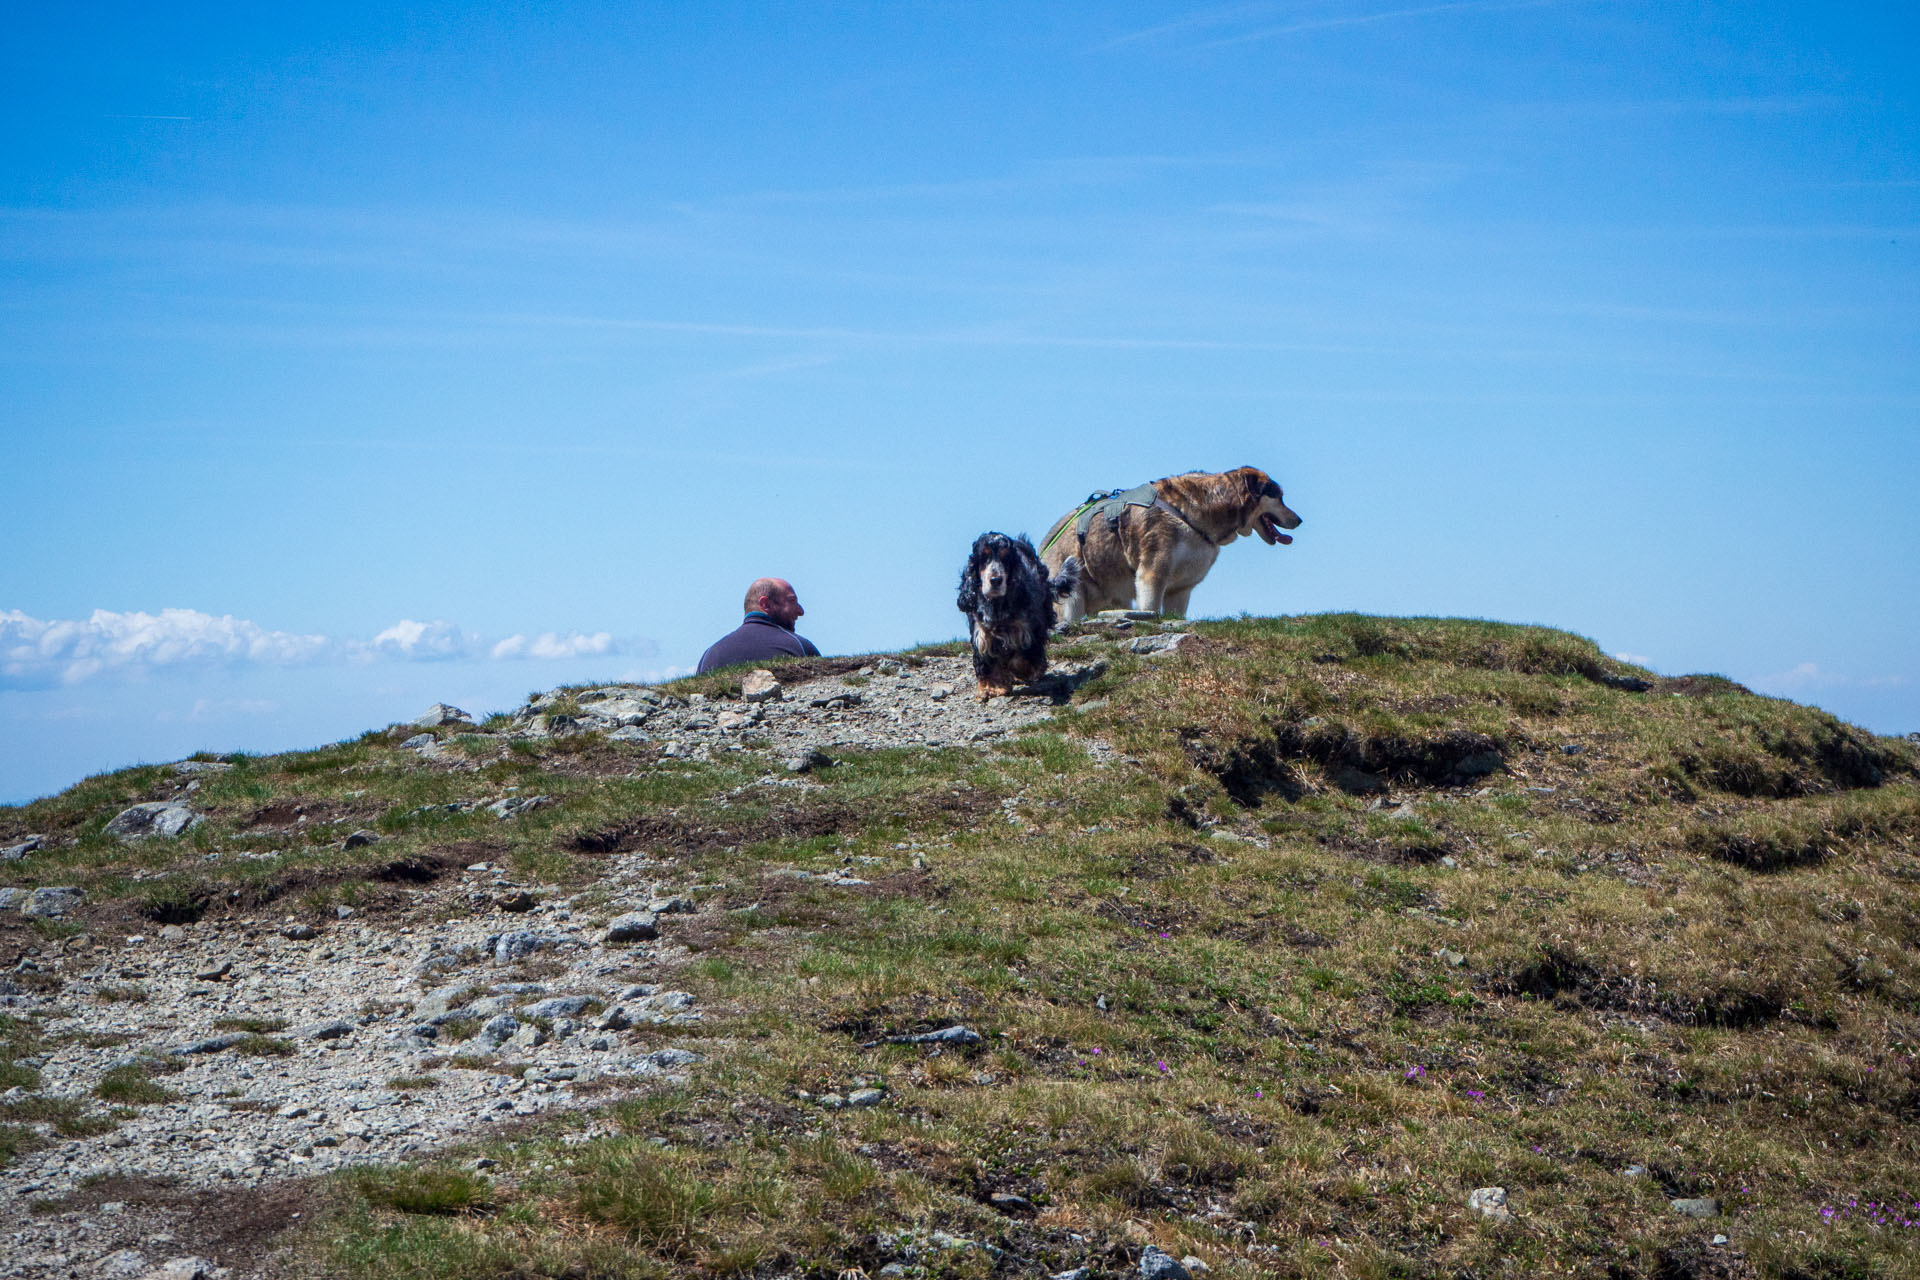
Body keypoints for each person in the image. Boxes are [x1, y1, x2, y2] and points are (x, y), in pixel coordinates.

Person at [696, 577, 821, 673]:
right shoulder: (799, 647)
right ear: (766, 604)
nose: (800, 611)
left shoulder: (710, 655)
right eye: (792, 601)